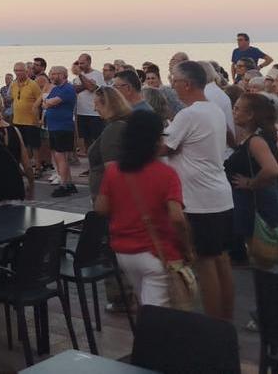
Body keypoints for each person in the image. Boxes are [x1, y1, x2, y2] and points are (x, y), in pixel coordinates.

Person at [95, 110, 194, 308]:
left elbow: (101, 208)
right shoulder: (166, 174)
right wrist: (187, 247)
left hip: (124, 251)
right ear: (156, 140)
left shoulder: (114, 171)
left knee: (145, 304)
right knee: (156, 315)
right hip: (156, 251)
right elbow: (177, 217)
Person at [163, 60, 234, 321]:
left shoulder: (189, 114)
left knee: (205, 262)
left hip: (199, 199)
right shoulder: (213, 109)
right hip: (220, 195)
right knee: (221, 259)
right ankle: (225, 318)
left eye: (175, 82)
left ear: (187, 84)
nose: (173, 87)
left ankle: (214, 325)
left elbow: (164, 148)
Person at [226, 93, 278, 264]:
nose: (233, 111)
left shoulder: (256, 141)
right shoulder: (257, 137)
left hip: (256, 203)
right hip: (253, 202)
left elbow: (272, 169)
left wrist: (251, 183)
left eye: (237, 108)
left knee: (263, 256)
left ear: (251, 114)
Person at [87, 85, 133, 199]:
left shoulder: (114, 129)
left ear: (107, 104)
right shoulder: (124, 124)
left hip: (108, 197)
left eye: (96, 104)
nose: (94, 108)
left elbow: (112, 168)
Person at [42, 66, 78, 197]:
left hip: (63, 127)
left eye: (56, 74)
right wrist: (47, 102)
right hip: (53, 126)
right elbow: (45, 102)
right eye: (52, 74)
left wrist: (48, 102)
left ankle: (63, 185)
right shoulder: (56, 89)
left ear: (63, 75)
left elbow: (52, 102)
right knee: (58, 156)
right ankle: (69, 183)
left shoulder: (67, 89)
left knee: (61, 156)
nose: (52, 76)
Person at [10, 62, 45, 177]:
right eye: (16, 70)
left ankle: (38, 168)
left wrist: (38, 113)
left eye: (20, 70)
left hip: (31, 120)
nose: (18, 73)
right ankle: (24, 167)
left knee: (35, 146)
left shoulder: (33, 84)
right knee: (21, 146)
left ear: (26, 71)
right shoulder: (14, 84)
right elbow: (12, 98)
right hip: (17, 120)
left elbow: (41, 98)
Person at [72, 54, 105, 160]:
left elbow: (92, 88)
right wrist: (85, 85)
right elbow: (74, 89)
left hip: (94, 112)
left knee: (97, 139)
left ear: (89, 62)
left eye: (82, 63)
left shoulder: (97, 75)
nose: (80, 65)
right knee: (86, 140)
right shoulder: (78, 77)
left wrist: (84, 80)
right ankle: (91, 164)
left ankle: (100, 162)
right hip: (81, 112)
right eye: (79, 63)